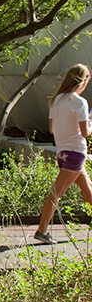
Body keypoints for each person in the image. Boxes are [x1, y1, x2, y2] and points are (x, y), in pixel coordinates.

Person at [35, 63, 92, 244]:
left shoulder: (56, 100)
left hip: (63, 152)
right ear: (83, 81)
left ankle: (42, 230)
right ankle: (41, 231)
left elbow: (51, 128)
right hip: (76, 152)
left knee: (88, 188)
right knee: (57, 192)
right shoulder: (80, 103)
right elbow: (85, 132)